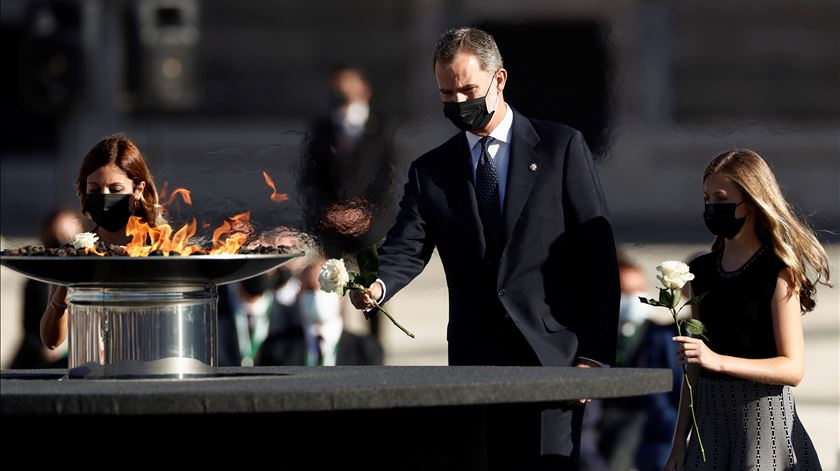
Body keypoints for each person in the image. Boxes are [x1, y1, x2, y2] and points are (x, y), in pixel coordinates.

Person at [350, 27, 620, 468]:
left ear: (499, 80)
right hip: (477, 362)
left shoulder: (560, 148)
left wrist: (593, 357)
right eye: (447, 93)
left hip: (551, 358)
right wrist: (377, 286)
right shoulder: (432, 171)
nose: (458, 102)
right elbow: (406, 247)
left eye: (468, 89)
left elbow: (598, 259)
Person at [665, 149, 830, 470]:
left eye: (721, 197)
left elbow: (792, 369)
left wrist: (718, 361)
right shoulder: (700, 271)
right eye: (707, 197)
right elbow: (694, 370)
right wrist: (677, 444)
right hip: (708, 424)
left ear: (752, 202)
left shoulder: (777, 272)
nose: (712, 206)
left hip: (762, 422)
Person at [39, 133, 165, 350]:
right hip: (92, 371)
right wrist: (63, 289)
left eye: (115, 190)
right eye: (95, 190)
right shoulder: (75, 253)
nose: (104, 198)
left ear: (137, 190)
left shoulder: (162, 249)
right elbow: (51, 341)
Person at [300, 65, 401, 259]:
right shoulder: (322, 129)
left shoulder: (383, 127)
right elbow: (311, 177)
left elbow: (389, 175)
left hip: (372, 228)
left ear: (365, 89)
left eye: (349, 84)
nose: (343, 90)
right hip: (331, 228)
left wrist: (365, 211)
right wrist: (329, 211)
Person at [256, 258, 384, 366]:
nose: (317, 295)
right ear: (298, 294)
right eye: (310, 288)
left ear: (342, 293)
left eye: (326, 288)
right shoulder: (275, 349)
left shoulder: (366, 350)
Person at [10, 209, 84, 369]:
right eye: (56, 238)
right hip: (41, 362)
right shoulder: (37, 280)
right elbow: (31, 327)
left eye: (67, 239)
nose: (62, 245)